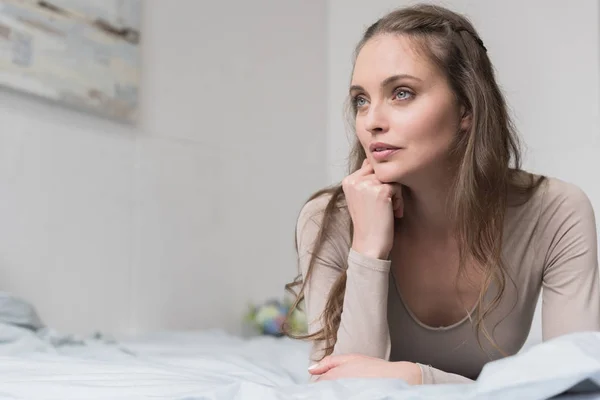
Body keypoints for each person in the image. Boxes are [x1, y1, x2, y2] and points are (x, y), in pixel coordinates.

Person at [284, 4, 600, 385]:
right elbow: (341, 386)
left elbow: (574, 380)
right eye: (361, 100)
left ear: (466, 108)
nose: (371, 121)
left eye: (401, 93)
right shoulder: (329, 219)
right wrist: (368, 248)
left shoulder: (555, 212)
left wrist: (418, 377)